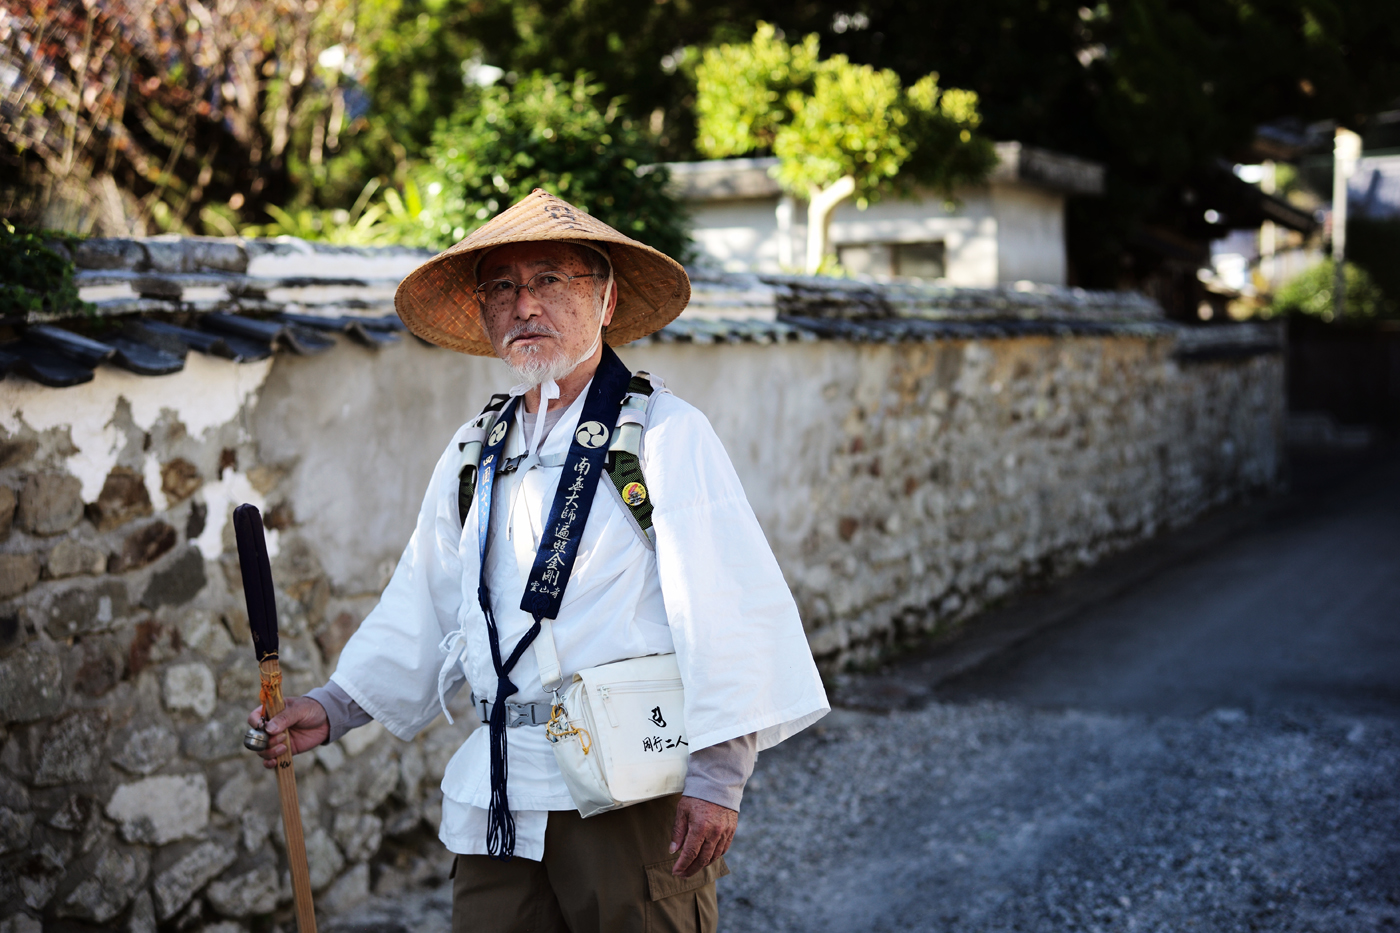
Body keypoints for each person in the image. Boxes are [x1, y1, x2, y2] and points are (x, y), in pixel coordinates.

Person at [247, 189, 828, 933]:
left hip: (628, 784)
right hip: (501, 786)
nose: (525, 304)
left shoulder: (665, 434)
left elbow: (724, 607)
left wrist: (718, 776)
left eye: (550, 279)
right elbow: (423, 599)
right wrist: (330, 709)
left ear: (606, 297)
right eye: (502, 286)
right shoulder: (474, 450)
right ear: (484, 312)